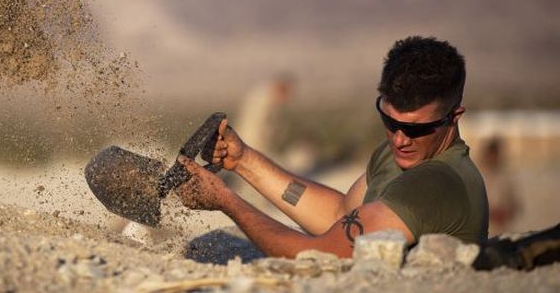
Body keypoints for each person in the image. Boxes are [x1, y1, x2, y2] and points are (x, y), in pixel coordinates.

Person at [176, 36, 489, 258]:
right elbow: (339, 214)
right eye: (390, 122)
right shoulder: (399, 154)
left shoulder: (437, 182)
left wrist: (225, 200)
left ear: (454, 116)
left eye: (416, 129)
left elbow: (318, 254)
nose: (399, 139)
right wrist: (243, 160)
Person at [479, 137, 520, 236]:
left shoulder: (506, 177)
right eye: (491, 155)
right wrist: (489, 213)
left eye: (495, 155)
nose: (493, 158)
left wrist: (505, 212)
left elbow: (515, 205)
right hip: (481, 233)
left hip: (501, 232)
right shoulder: (477, 176)